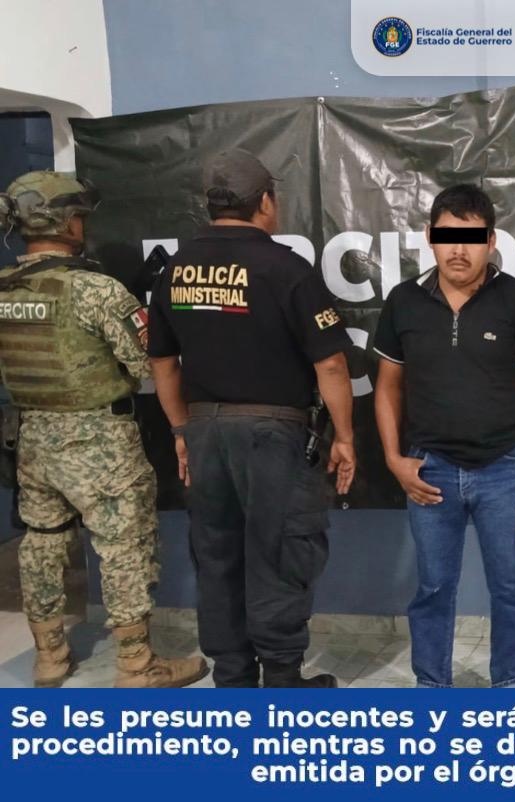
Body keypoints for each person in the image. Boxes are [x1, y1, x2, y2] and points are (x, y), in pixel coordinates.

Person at [148, 149, 355, 688]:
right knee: (280, 549)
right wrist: (345, 437)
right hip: (273, 435)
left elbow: (162, 363)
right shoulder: (285, 267)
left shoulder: (175, 269)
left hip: (205, 431)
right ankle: (283, 681)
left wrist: (181, 430)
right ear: (265, 201)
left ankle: (233, 679)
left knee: (217, 554)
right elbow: (331, 363)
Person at [0, 170, 207, 688]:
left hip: (31, 440)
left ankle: (49, 657)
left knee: (42, 544)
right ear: (65, 222)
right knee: (123, 548)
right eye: (79, 216)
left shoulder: (3, 289)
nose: (83, 225)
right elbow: (145, 362)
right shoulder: (96, 290)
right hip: (99, 442)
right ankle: (138, 666)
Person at [373, 183, 515, 689]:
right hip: (429, 471)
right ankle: (432, 687)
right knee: (433, 587)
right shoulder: (403, 302)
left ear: (491, 241)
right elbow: (386, 388)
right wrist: (393, 458)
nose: (460, 250)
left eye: (472, 238)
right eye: (449, 236)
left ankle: (511, 687)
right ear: (430, 237)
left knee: (511, 587)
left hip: (505, 470)